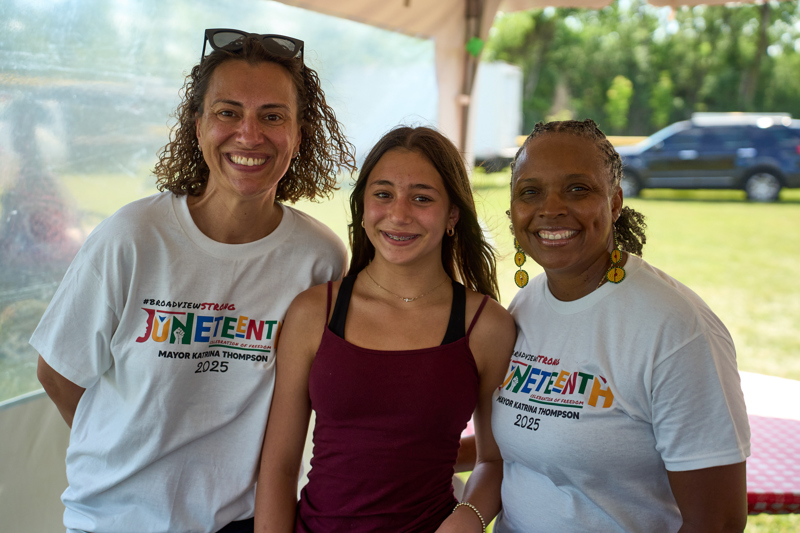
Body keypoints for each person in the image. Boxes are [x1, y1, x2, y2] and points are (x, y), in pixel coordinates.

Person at [31, 29, 356, 533]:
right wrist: (130, 465)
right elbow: (58, 374)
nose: (249, 134)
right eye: (228, 112)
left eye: (273, 116)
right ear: (198, 123)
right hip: (115, 521)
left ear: (299, 133)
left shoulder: (319, 258)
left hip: (240, 522)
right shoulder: (134, 236)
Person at [490, 119, 750, 532]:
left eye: (578, 189)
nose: (551, 208)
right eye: (530, 192)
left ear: (614, 203)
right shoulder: (526, 304)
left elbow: (717, 521)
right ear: (513, 210)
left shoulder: (676, 329)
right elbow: (527, 444)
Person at [254, 126, 516, 533]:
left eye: (422, 198)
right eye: (383, 194)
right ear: (362, 206)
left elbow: (494, 459)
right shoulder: (314, 312)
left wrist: (468, 518)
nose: (399, 214)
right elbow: (280, 467)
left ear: (452, 214)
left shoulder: (486, 326)